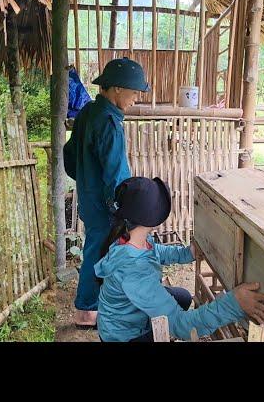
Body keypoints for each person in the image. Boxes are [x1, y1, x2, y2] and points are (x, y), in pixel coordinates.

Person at [94, 176, 264, 342]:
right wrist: (234, 304)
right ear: (149, 218)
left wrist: (187, 253)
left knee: (182, 297)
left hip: (129, 313)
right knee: (177, 314)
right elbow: (182, 326)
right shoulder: (134, 269)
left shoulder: (130, 237)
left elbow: (155, 251)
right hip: (123, 335)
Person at [63, 57, 148, 329]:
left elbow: (69, 156)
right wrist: (123, 207)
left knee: (96, 249)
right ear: (116, 90)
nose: (136, 99)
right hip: (106, 204)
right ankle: (87, 311)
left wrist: (87, 183)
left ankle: (97, 306)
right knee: (99, 253)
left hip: (90, 198)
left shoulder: (87, 112)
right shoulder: (109, 123)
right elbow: (116, 175)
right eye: (134, 93)